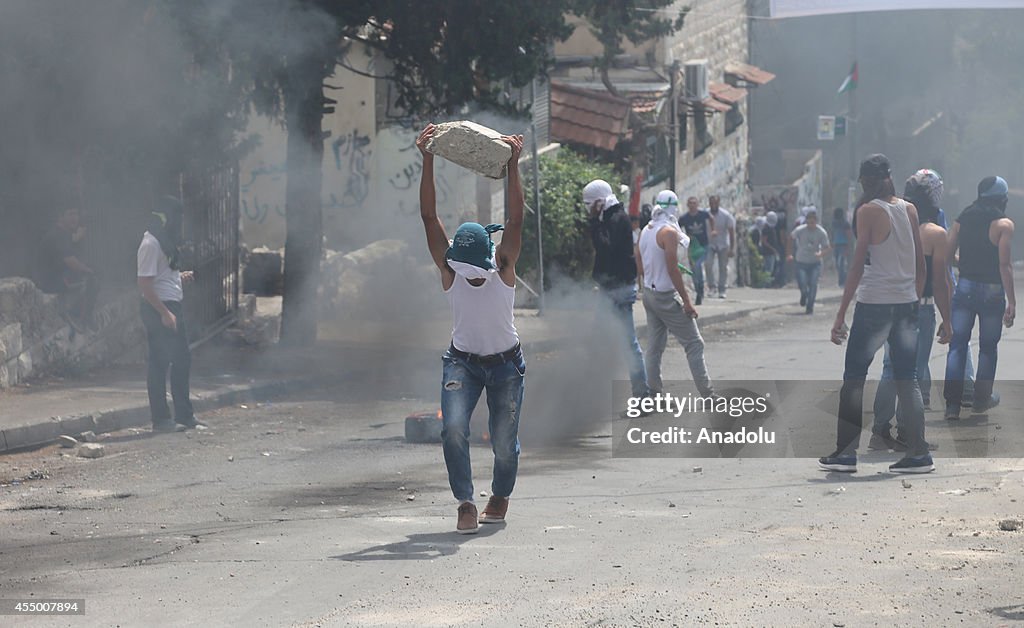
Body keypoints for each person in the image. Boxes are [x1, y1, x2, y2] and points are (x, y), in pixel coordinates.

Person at [416, 123, 525, 535]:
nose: (472, 278)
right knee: (454, 430)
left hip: (505, 366)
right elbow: (429, 216)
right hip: (461, 363)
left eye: (475, 271)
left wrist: (514, 165)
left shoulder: (503, 266)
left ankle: (499, 495)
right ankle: (465, 501)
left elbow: (515, 217)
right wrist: (428, 158)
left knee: (503, 440)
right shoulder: (449, 270)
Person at [822, 154, 934, 474]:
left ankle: (845, 453)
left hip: (874, 305)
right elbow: (920, 264)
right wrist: (912, 297)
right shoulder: (909, 209)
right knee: (906, 379)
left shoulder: (868, 211)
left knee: (855, 379)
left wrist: (840, 313)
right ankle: (918, 452)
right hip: (906, 303)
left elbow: (858, 265)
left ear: (866, 182)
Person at [870, 169, 953, 450]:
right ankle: (908, 434)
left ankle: (879, 432)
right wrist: (948, 319)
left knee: (889, 370)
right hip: (920, 312)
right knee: (913, 372)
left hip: (888, 307)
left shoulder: (889, 227)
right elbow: (940, 283)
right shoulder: (935, 234)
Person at [943, 175, 1016, 420]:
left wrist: (963, 263)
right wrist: (1012, 302)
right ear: (1001, 199)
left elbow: (947, 254)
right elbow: (1004, 265)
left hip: (965, 287)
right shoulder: (1003, 225)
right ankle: (981, 400)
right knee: (987, 347)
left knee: (957, 346)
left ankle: (952, 406)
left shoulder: (962, 219)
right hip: (993, 292)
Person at [638, 190, 715, 398]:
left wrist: (651, 277)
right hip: (665, 297)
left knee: (654, 348)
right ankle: (708, 394)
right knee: (694, 343)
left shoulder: (647, 229)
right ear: (673, 208)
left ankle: (654, 393)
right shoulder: (669, 233)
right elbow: (672, 269)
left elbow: (640, 258)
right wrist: (688, 302)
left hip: (649, 294)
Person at [137, 196, 200, 434]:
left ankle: (185, 415)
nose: (180, 222)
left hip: (171, 306)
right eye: (177, 216)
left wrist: (179, 277)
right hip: (159, 309)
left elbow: (160, 275)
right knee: (160, 363)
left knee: (182, 359)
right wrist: (164, 313)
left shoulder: (164, 243)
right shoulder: (150, 243)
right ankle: (161, 420)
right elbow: (144, 284)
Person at [585, 178, 651, 403]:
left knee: (628, 343)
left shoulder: (616, 219)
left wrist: (594, 222)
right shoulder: (611, 217)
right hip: (611, 289)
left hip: (619, 290)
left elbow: (605, 249)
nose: (589, 210)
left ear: (600, 203)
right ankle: (587, 395)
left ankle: (642, 395)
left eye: (590, 205)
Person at [39, 207, 98, 332]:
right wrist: (89, 271)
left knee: (90, 273)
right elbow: (72, 263)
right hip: (52, 281)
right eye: (70, 214)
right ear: (61, 217)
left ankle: (79, 314)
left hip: (59, 276)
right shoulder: (57, 235)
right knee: (93, 279)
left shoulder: (64, 234)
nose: (75, 218)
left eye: (76, 214)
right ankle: (79, 317)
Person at [788, 208, 830, 314]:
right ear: (806, 222)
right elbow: (790, 238)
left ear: (816, 222)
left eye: (813, 222)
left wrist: (821, 254)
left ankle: (810, 306)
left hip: (815, 263)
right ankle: (803, 295)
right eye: (809, 222)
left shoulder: (821, 232)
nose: (811, 224)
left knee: (813, 283)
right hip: (801, 261)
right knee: (802, 282)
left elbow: (827, 247)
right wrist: (789, 254)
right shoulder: (800, 230)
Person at [678, 196, 712, 305]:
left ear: (697, 204)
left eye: (694, 203)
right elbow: (677, 228)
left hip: (703, 246)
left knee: (698, 266)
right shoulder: (685, 218)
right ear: (688, 205)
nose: (692, 205)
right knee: (693, 270)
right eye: (690, 203)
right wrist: (683, 237)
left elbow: (711, 219)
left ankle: (700, 290)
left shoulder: (703, 214)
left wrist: (714, 230)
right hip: (692, 248)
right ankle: (698, 290)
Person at [703, 195, 736, 299]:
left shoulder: (726, 215)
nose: (713, 205)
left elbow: (731, 232)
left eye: (715, 203)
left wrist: (731, 248)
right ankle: (712, 287)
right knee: (708, 264)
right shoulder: (705, 214)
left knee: (723, 267)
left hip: (723, 244)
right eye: (711, 203)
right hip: (709, 244)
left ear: (718, 203)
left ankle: (722, 289)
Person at [831, 207, 853, 286]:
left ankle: (842, 282)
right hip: (836, 245)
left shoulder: (845, 223)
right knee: (838, 264)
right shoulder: (834, 223)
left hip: (843, 245)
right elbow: (833, 234)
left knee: (841, 264)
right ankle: (842, 280)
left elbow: (849, 235)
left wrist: (848, 247)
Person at [763, 211, 782, 285]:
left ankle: (768, 283)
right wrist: (773, 249)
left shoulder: (771, 228)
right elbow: (764, 241)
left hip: (772, 252)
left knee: (771, 268)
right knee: (768, 269)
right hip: (768, 252)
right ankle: (766, 284)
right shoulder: (766, 228)